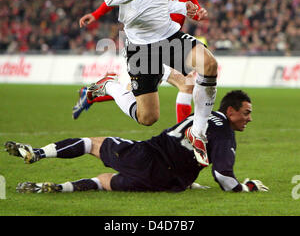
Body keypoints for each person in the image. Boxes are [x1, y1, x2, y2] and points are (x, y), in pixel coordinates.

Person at [76, 0, 218, 167]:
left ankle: (197, 132)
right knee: (147, 117)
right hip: (141, 47)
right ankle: (109, 85)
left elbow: (161, 1)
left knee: (209, 64)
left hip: (167, 35)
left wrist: (185, 8)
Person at [5, 90, 269, 194]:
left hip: (149, 156)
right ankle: (54, 188)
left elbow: (221, 176)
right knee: (105, 181)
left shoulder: (204, 115)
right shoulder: (224, 132)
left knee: (92, 143)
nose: (250, 119)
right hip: (168, 183)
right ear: (231, 111)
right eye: (247, 113)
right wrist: (248, 188)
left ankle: (37, 153)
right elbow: (224, 177)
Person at [73, 0, 206, 125]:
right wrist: (96, 15)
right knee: (186, 83)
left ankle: (94, 92)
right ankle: (182, 136)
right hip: (148, 43)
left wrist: (199, 14)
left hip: (170, 41)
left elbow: (194, 10)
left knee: (138, 95)